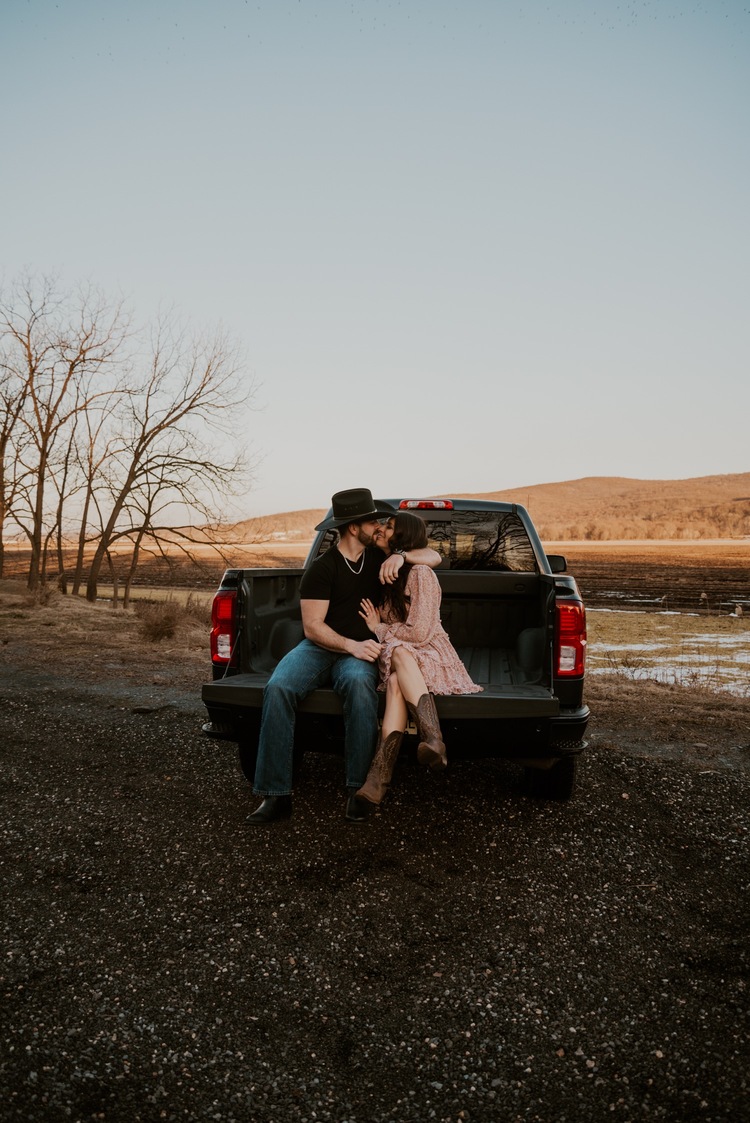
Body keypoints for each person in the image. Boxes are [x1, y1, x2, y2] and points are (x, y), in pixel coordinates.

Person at [246, 489, 441, 825]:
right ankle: (275, 795)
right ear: (354, 527)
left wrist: (403, 556)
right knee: (278, 687)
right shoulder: (322, 569)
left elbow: (435, 556)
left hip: (361, 651)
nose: (379, 527)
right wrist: (350, 645)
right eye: (372, 521)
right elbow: (312, 627)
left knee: (358, 688)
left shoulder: (381, 559)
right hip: (322, 647)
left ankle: (357, 791)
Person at [355, 510, 482, 807]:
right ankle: (413, 755)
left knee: (398, 653)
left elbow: (420, 634)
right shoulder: (386, 572)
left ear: (402, 537)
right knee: (398, 675)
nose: (382, 531)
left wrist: (380, 629)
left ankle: (387, 770)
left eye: (389, 528)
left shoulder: (421, 573)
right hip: (405, 660)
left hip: (431, 654)